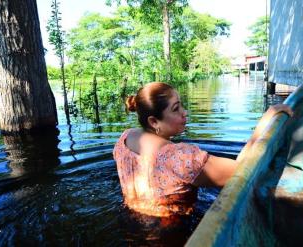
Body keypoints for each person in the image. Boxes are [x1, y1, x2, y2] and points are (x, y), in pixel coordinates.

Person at [113, 82, 293, 217]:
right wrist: (264, 122)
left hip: (133, 221)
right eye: (176, 109)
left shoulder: (124, 139)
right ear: (154, 122)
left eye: (181, 105)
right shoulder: (180, 157)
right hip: (172, 232)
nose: (185, 112)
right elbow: (245, 173)